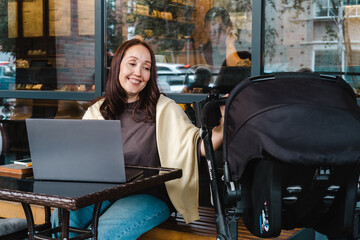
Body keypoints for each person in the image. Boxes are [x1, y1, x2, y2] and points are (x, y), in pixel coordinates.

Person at [51, 38, 224, 239]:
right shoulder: (98, 111)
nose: (138, 73)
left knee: (102, 234)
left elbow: (200, 147)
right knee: (60, 221)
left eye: (146, 67)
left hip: (150, 195)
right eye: (132, 64)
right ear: (117, 67)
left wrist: (224, 124)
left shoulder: (165, 109)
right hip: (104, 192)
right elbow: (80, 159)